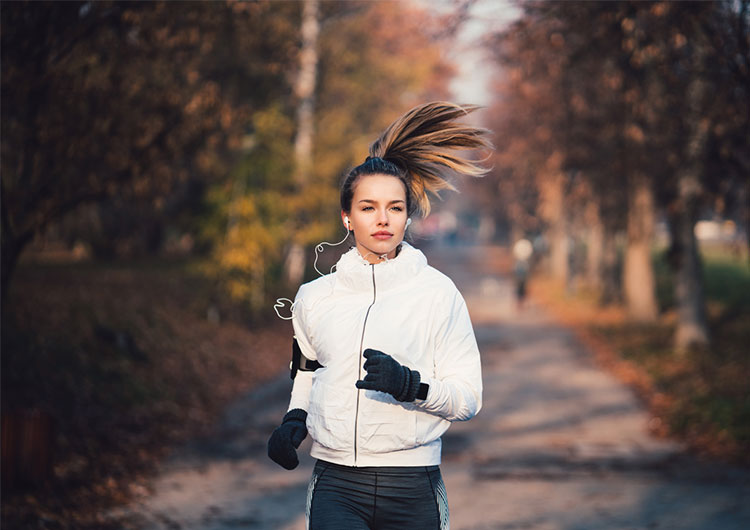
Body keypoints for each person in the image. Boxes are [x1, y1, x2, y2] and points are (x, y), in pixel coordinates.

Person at [267, 102, 490, 529]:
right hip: (336, 486)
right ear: (347, 218)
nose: (383, 219)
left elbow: (468, 398)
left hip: (413, 487)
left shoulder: (438, 294)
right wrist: (295, 419)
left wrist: (410, 384)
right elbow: (308, 369)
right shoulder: (315, 297)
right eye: (368, 207)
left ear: (408, 216)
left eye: (395, 208)